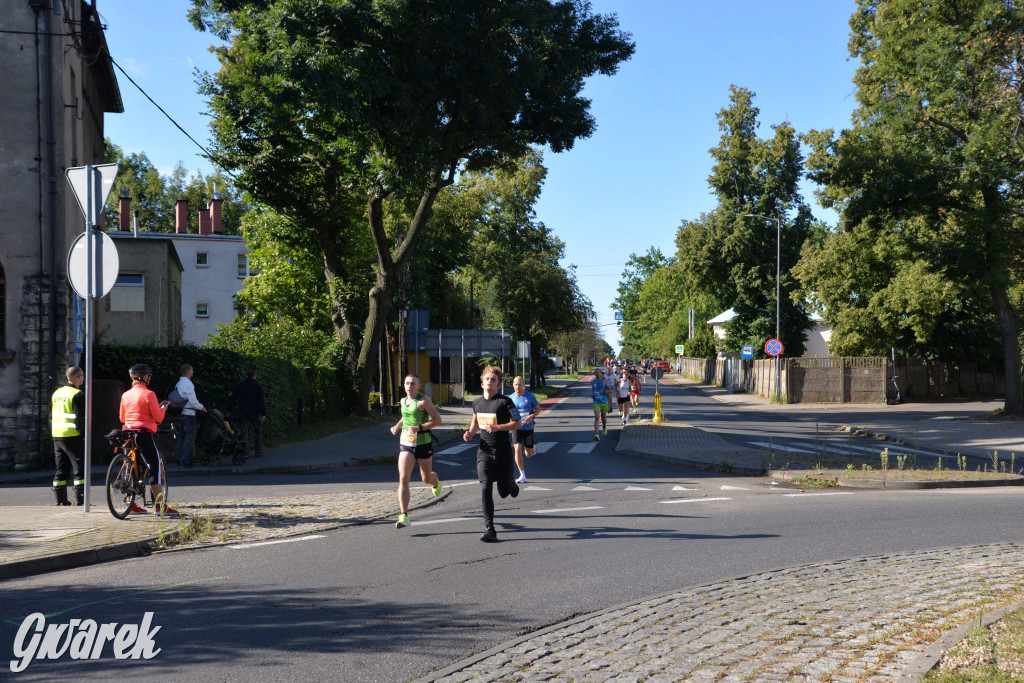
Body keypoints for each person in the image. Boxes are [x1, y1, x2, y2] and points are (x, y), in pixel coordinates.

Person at [463, 365, 521, 542]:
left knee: (504, 492)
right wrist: (469, 433)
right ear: (482, 383)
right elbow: (475, 424)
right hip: (484, 452)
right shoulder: (476, 403)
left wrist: (498, 427)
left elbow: (518, 423)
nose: (490, 381)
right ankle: (490, 529)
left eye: (493, 379)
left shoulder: (505, 402)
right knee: (485, 487)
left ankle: (510, 483)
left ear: (498, 385)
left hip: (503, 452)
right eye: (487, 379)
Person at [119, 364, 177, 515]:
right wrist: (163, 408)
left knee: (130, 467)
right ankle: (159, 506)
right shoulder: (149, 394)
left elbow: (122, 418)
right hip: (144, 434)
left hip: (127, 433)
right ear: (145, 377)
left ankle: (130, 504)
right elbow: (158, 418)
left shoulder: (125, 395)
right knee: (154, 466)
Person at [390, 374, 443, 528]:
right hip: (406, 443)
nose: (409, 386)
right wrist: (397, 426)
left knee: (426, 478)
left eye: (413, 383)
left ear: (419, 386)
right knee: (403, 478)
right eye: (407, 383)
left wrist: (419, 427)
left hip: (423, 443)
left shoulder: (423, 401)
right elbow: (405, 416)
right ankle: (404, 515)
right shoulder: (403, 401)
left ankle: (435, 482)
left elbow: (437, 420)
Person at [51, 366, 85, 506]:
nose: (83, 378)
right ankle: (80, 500)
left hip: (57, 435)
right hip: (72, 435)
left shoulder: (57, 393)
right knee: (79, 468)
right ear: (78, 377)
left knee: (61, 468)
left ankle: (60, 500)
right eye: (82, 376)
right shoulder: (77, 394)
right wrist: (83, 434)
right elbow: (79, 418)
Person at [229, 368, 267, 459]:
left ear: (247, 375)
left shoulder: (241, 385)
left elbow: (233, 398)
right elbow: (261, 401)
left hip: (243, 411)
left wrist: (229, 410)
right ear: (254, 375)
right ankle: (258, 452)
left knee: (244, 432)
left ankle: (245, 453)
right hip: (255, 411)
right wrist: (263, 413)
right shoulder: (258, 386)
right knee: (258, 430)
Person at [510, 375, 540, 483]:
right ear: (513, 385)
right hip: (516, 428)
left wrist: (532, 416)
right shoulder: (510, 398)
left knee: (528, 454)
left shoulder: (530, 396)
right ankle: (522, 475)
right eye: (516, 385)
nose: (517, 387)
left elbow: (538, 409)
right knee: (517, 449)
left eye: (520, 385)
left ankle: (533, 448)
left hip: (528, 428)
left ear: (523, 385)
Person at [174, 364, 205, 468]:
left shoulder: (178, 383)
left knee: (181, 437)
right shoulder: (188, 384)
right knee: (189, 438)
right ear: (188, 371)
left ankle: (180, 459)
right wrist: (202, 408)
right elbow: (193, 402)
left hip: (181, 413)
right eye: (192, 370)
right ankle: (184, 461)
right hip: (189, 414)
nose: (193, 372)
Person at [591, 367, 613, 441]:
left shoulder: (604, 381)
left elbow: (611, 390)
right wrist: (592, 395)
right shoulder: (593, 382)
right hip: (596, 402)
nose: (597, 374)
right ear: (594, 374)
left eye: (598, 372)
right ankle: (596, 434)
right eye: (596, 373)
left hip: (604, 402)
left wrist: (603, 392)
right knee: (597, 417)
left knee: (603, 417)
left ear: (601, 374)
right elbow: (593, 390)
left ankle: (604, 426)